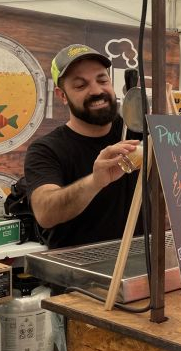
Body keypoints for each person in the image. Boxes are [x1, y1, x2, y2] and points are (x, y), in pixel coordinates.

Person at [24, 44, 142, 249]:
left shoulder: (136, 131)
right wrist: (95, 181)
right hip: (79, 275)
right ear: (62, 95)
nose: (96, 91)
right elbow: (45, 212)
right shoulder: (47, 149)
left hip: (141, 265)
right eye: (80, 85)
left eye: (102, 80)